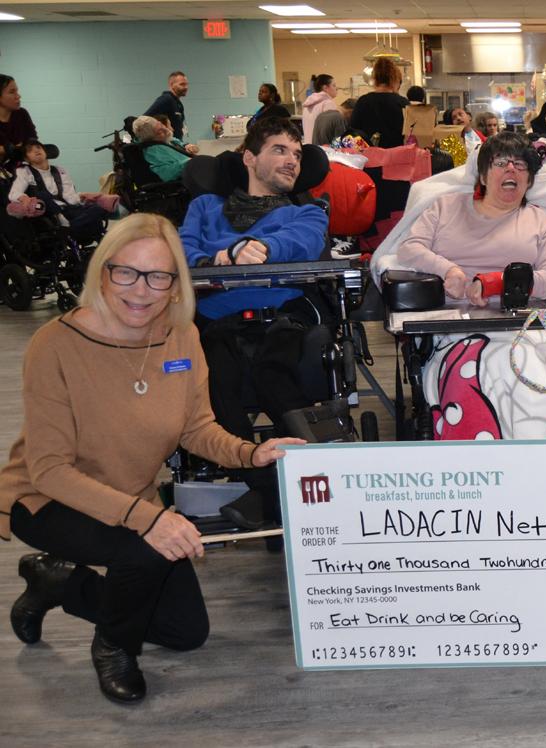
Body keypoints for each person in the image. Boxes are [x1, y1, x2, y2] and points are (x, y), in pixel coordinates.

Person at [0, 213, 301, 703]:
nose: (141, 290)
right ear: (103, 272)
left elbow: (196, 429)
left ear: (175, 285)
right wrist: (150, 519)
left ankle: (57, 582)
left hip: (129, 495)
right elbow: (49, 469)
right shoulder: (54, 344)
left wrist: (252, 453)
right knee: (146, 546)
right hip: (46, 497)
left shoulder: (181, 337)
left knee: (186, 632)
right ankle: (114, 648)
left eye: (158, 276)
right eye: (127, 272)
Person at [180, 118, 328, 528]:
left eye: (297, 154)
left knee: (272, 375)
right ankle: (272, 493)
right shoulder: (204, 208)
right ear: (249, 158)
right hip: (216, 320)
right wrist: (221, 258)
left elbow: (302, 243)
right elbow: (182, 251)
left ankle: (263, 496)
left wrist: (261, 246)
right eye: (280, 150)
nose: (292, 160)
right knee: (215, 384)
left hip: (282, 319)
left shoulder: (308, 212)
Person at [395, 131, 546, 305]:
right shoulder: (445, 207)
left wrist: (497, 282)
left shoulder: (539, 221)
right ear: (483, 177)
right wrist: (448, 270)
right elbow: (409, 248)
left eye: (520, 164)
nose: (511, 168)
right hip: (444, 312)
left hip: (514, 314)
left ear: (529, 181)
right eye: (500, 163)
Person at [7, 139, 110, 233]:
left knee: (99, 208)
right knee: (42, 194)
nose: (36, 151)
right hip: (49, 214)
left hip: (68, 209)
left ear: (45, 152)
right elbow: (14, 193)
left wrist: (82, 197)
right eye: (30, 150)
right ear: (26, 158)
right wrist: (24, 198)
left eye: (38, 147)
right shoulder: (24, 172)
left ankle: (75, 227)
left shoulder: (59, 170)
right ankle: (65, 222)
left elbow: (70, 196)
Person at [350, 58, 409, 148]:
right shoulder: (403, 103)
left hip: (369, 155)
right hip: (397, 154)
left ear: (374, 79)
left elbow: (353, 134)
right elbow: (411, 136)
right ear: (395, 79)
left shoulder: (363, 102)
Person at [131, 115, 191, 182]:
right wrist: (192, 162)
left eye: (162, 125)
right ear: (151, 138)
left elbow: (176, 141)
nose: (166, 130)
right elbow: (166, 174)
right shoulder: (153, 150)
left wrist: (187, 146)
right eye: (160, 132)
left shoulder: (167, 141)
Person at [0, 74, 37, 170]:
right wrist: (11, 149)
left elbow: (32, 142)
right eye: (12, 92)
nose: (18, 96)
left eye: (17, 91)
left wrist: (9, 149)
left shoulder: (21, 114)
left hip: (20, 170)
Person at [144, 71, 189, 142]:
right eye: (182, 84)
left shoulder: (178, 103)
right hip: (167, 144)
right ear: (171, 85)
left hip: (177, 143)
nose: (186, 87)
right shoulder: (166, 99)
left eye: (187, 84)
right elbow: (144, 120)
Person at [300, 74, 338, 145]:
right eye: (334, 85)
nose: (336, 88)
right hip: (322, 148)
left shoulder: (307, 104)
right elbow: (332, 131)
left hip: (308, 146)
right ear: (325, 88)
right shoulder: (328, 103)